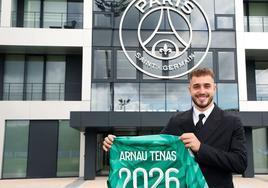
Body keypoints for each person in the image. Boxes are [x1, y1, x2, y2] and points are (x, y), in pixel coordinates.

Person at [103, 68, 247, 188]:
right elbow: (152, 151)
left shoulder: (232, 122)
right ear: (189, 89)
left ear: (214, 89)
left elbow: (240, 163)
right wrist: (119, 145)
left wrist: (201, 148)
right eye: (196, 86)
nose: (202, 91)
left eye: (207, 86)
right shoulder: (176, 121)